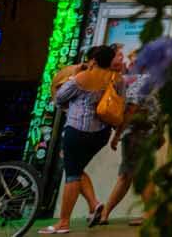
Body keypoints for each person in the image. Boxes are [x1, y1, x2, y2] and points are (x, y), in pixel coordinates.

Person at [41, 45, 118, 234]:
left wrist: (74, 73)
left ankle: (63, 222)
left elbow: (59, 98)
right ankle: (94, 204)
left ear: (92, 61)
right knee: (75, 168)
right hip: (101, 134)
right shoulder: (115, 78)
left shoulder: (82, 77)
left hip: (78, 131)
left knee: (73, 175)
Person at [98, 52, 160, 226]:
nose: (130, 64)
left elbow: (132, 108)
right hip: (146, 131)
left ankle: (150, 213)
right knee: (126, 174)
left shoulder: (141, 81)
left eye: (134, 61)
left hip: (136, 133)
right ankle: (105, 213)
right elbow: (158, 108)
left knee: (137, 174)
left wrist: (117, 135)